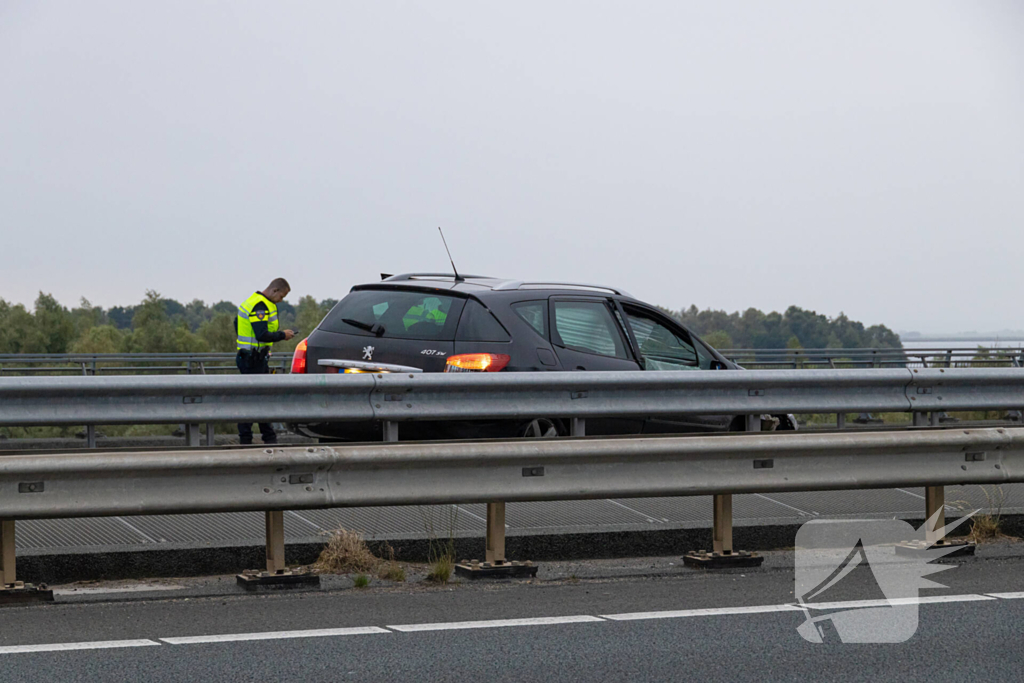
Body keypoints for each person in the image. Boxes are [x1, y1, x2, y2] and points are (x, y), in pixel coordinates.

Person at [235, 278, 296, 444]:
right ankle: (252, 440)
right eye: (281, 296)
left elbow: (237, 324)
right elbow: (261, 334)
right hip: (252, 360)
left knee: (259, 399)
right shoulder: (260, 306)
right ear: (274, 291)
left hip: (253, 357)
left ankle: (264, 438)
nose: (281, 300)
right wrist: (282, 335)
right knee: (254, 400)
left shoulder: (252, 301)